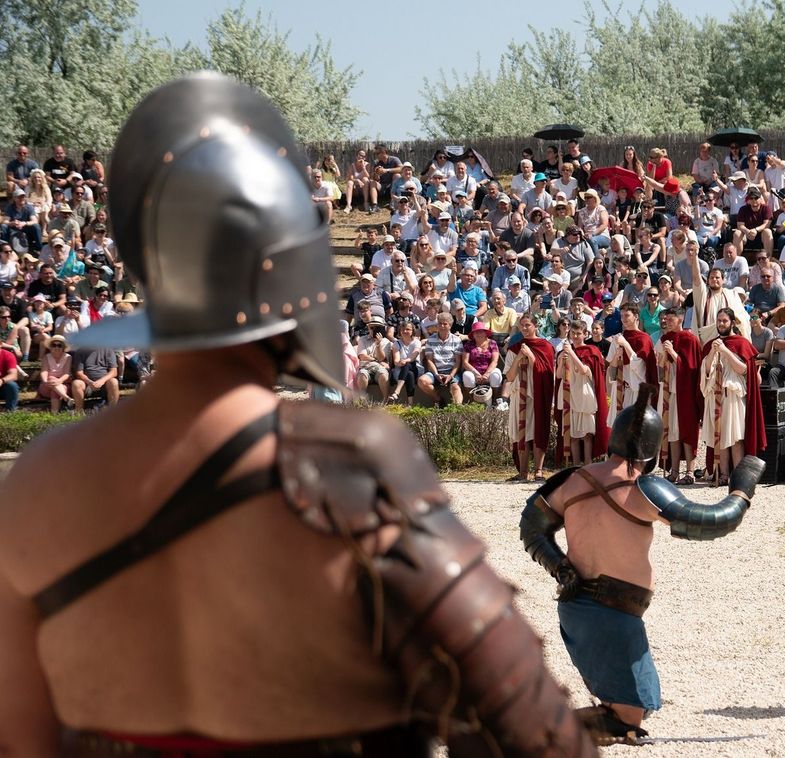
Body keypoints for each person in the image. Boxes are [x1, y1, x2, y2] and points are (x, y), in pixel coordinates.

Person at [0, 75, 593, 757]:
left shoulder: (35, 482)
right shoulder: (348, 463)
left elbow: (18, 739)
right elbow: (533, 734)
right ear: (294, 275)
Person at [520, 385, 764, 744]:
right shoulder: (642, 488)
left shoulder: (575, 479)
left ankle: (559, 722)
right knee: (629, 719)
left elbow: (532, 525)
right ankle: (537, 728)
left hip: (583, 609)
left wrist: (562, 568)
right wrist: (741, 491)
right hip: (609, 614)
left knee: (642, 704)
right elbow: (713, 521)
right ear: (652, 448)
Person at [698, 308, 767, 485]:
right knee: (720, 437)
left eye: (724, 321)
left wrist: (726, 351)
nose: (721, 324)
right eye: (719, 321)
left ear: (732, 323)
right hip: (715, 395)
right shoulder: (710, 345)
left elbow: (743, 370)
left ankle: (738, 475)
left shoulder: (741, 343)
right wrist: (713, 352)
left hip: (732, 395)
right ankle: (723, 474)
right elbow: (705, 371)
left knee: (735, 438)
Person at [505, 315, 556, 482]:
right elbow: (510, 377)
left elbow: (546, 373)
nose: (524, 329)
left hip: (537, 395)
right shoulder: (515, 348)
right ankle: (523, 472)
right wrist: (520, 357)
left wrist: (531, 357)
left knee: (536, 430)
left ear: (535, 326)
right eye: (522, 326)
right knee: (521, 433)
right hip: (518, 395)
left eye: (528, 325)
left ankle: (539, 471)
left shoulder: (545, 346)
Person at [656, 307, 702, 483]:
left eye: (670, 318)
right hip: (669, 390)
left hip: (685, 391)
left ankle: (690, 471)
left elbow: (692, 368)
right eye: (665, 318)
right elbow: (660, 368)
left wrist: (673, 353)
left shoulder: (689, 339)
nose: (667, 321)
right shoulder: (665, 339)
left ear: (680, 318)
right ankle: (674, 471)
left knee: (687, 430)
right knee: (673, 431)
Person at [555, 315, 609, 466]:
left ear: (586, 334)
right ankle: (576, 464)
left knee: (587, 434)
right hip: (569, 392)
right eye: (573, 333)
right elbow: (559, 375)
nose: (575, 336)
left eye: (579, 333)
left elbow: (586, 371)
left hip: (584, 393)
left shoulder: (592, 351)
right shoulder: (564, 352)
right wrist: (561, 360)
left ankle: (588, 463)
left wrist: (572, 354)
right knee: (572, 434)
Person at [607, 305, 657, 413]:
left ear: (636, 317)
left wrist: (625, 344)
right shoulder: (618, 338)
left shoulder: (644, 338)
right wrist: (616, 356)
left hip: (638, 389)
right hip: (622, 387)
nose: (623, 319)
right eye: (621, 316)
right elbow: (612, 368)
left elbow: (639, 365)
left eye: (627, 315)